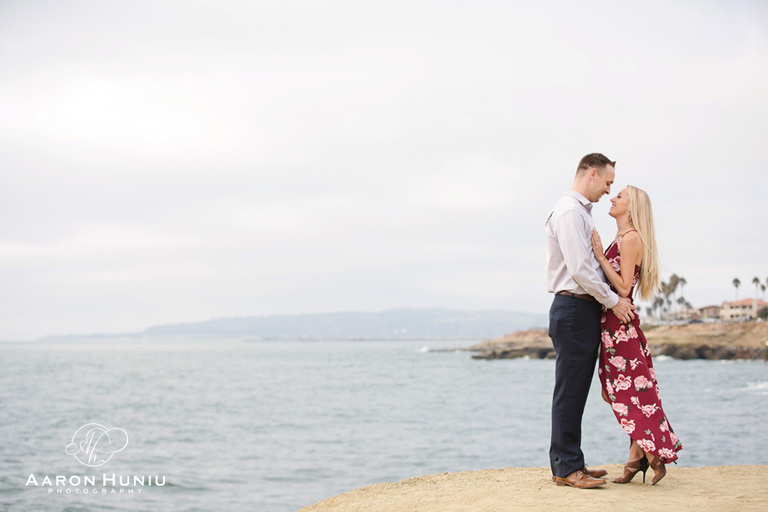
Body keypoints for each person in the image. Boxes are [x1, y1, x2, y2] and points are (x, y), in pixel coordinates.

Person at [545, 153, 636, 489]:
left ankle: (572, 461)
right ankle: (566, 468)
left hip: (580, 309)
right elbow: (581, 269)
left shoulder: (579, 212)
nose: (608, 190)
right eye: (608, 183)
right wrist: (614, 302)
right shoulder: (570, 212)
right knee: (569, 390)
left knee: (576, 389)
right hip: (573, 307)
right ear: (592, 174)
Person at [591, 185, 682, 485]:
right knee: (615, 392)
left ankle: (642, 454)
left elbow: (624, 287)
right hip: (610, 326)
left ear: (631, 209)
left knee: (628, 394)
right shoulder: (622, 237)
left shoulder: (630, 238)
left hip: (620, 329)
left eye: (619, 196)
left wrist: (600, 257)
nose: (612, 198)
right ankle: (641, 453)